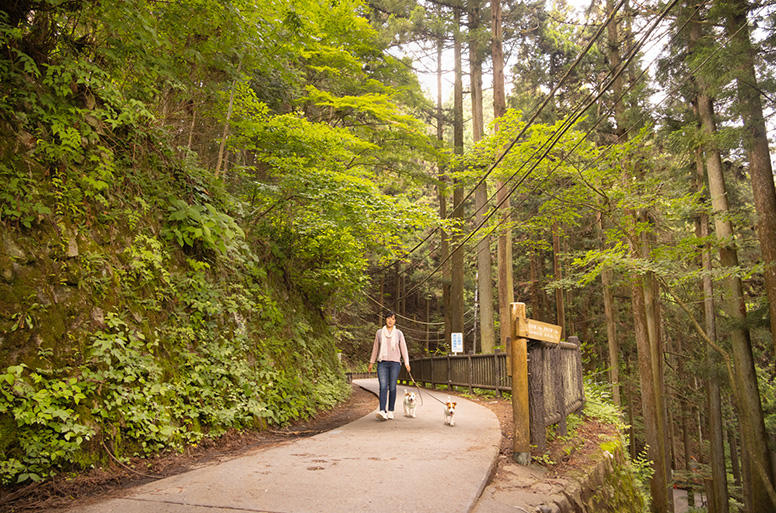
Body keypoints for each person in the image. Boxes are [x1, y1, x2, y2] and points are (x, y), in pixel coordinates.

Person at [368, 311, 411, 421]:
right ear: (385, 319)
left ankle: (391, 410)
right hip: (382, 363)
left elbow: (404, 349)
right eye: (388, 318)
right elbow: (375, 348)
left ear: (395, 320)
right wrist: (371, 362)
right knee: (383, 386)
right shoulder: (379, 333)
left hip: (395, 363)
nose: (390, 320)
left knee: (392, 387)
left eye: (392, 318)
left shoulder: (399, 333)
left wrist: (406, 362)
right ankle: (382, 410)